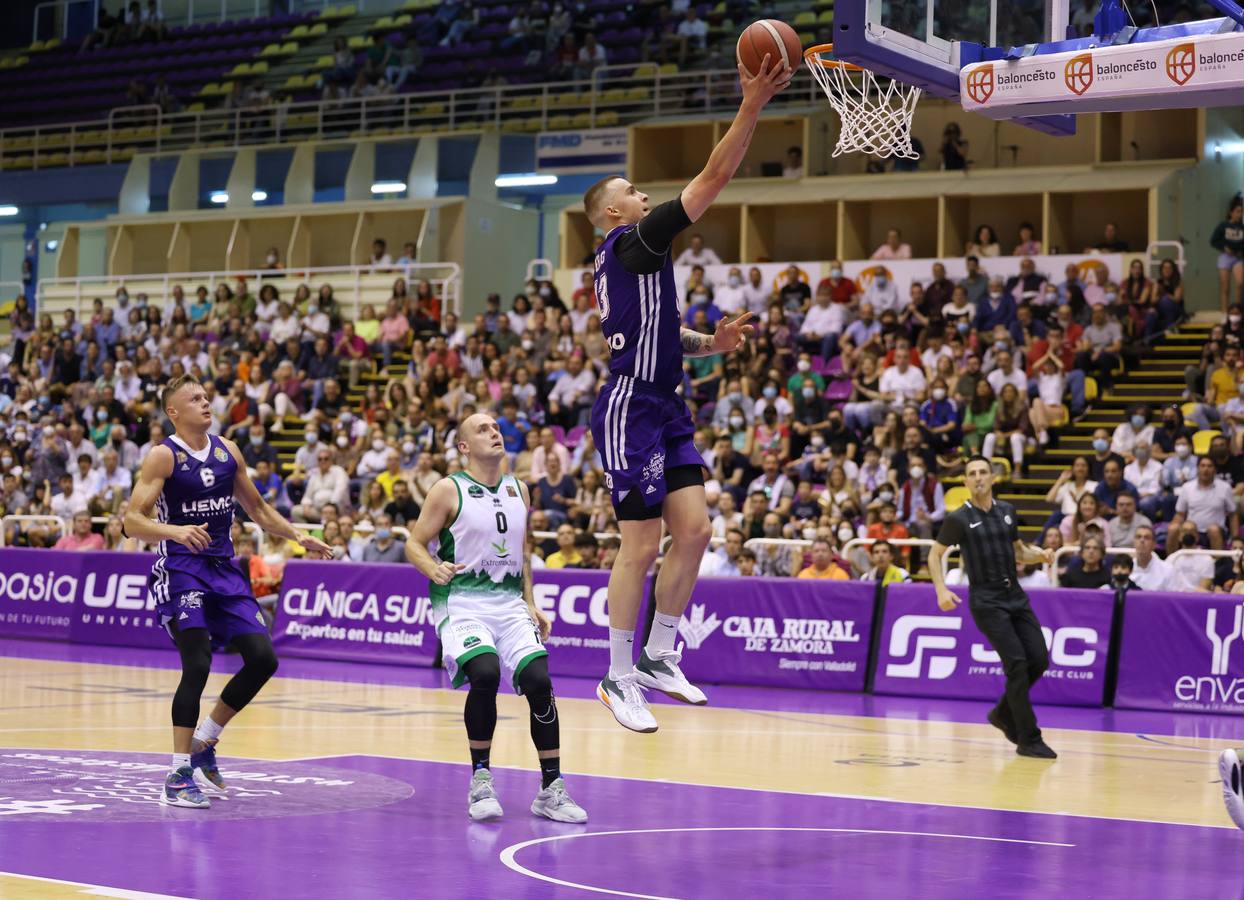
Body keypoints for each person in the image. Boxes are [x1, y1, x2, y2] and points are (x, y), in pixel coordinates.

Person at [579, 53, 790, 733]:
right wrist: (752, 103)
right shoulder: (633, 241)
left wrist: (712, 345)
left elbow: (666, 329)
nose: (647, 196)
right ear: (615, 211)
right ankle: (615, 677)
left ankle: (660, 654)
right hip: (630, 404)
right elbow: (715, 176)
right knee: (638, 545)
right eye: (636, 190)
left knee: (695, 530)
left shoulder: (637, 265)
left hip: (665, 400)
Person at [124, 375, 332, 809]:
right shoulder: (163, 457)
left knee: (263, 659)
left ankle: (205, 741)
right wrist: (175, 531)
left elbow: (257, 509)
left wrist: (298, 537)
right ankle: (178, 773)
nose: (204, 402)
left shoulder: (227, 451)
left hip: (224, 569)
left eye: (205, 396)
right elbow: (131, 521)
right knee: (197, 662)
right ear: (173, 412)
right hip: (182, 569)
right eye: (193, 399)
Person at [404, 413, 587, 823]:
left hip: (509, 605)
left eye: (496, 428)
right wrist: (431, 568)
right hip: (463, 602)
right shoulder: (447, 489)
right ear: (464, 446)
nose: (494, 432)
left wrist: (532, 602)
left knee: (540, 681)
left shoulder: (520, 488)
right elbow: (414, 544)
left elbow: (522, 555)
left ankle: (551, 789)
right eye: (483, 429)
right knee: (485, 674)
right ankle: (481, 780)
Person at [930, 455, 1058, 759]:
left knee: (1038, 659)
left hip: (1015, 595)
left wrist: (1040, 555)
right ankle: (1029, 738)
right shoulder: (958, 518)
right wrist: (940, 589)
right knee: (1016, 664)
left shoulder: (1007, 511)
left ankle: (1002, 713)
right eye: (971, 474)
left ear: (992, 477)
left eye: (983, 472)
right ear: (965, 481)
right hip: (986, 601)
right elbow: (935, 555)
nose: (977, 478)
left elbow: (1019, 552)